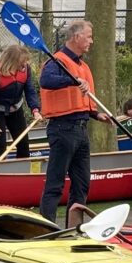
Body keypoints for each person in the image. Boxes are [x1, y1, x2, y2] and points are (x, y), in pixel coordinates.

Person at [38, 20, 110, 224]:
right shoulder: (57, 61)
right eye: (88, 36)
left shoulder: (82, 66)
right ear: (76, 37)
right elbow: (47, 81)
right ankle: (46, 227)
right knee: (55, 183)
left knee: (82, 183)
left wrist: (96, 115)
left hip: (80, 130)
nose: (91, 41)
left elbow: (82, 101)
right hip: (62, 129)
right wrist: (73, 80)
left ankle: (75, 227)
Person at [0, 43, 40, 160]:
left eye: (25, 62)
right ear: (11, 62)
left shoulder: (26, 70)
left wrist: (35, 109)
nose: (24, 66)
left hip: (16, 110)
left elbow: (30, 91)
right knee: (0, 147)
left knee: (23, 146)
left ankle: (21, 173)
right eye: (21, 64)